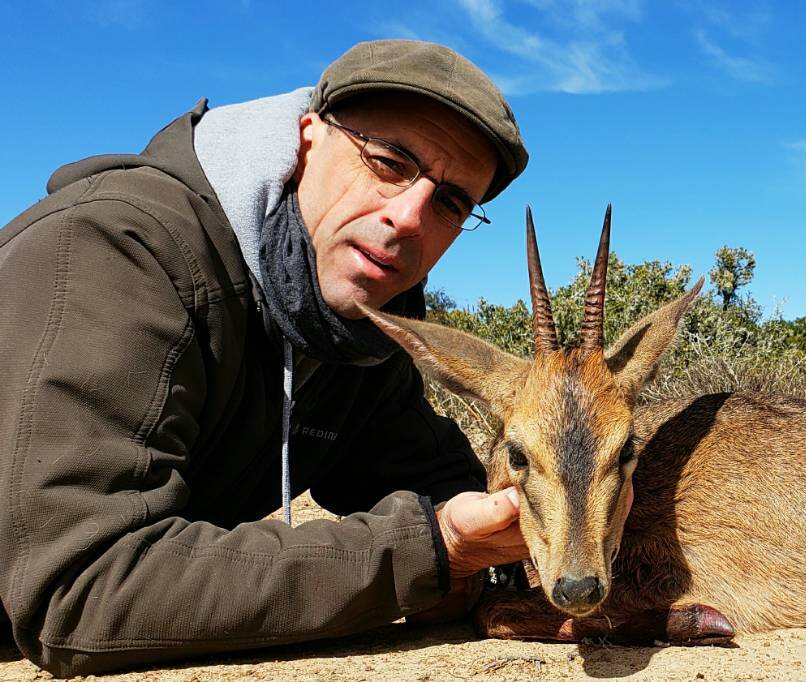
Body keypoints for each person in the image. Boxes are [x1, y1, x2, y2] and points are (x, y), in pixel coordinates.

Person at [0, 39, 530, 677]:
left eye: (450, 202)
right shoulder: (115, 252)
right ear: (307, 139)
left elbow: (442, 481)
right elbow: (81, 592)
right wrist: (434, 547)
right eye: (389, 161)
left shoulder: (354, 332)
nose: (409, 217)